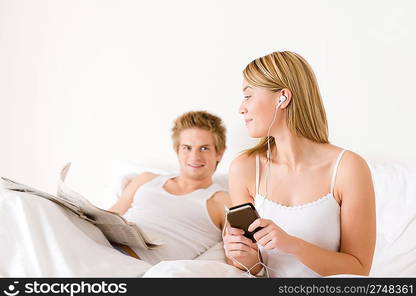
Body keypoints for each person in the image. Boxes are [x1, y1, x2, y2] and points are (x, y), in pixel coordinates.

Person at [223, 51, 376, 277]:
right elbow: (255, 270)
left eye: (248, 96)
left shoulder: (348, 168)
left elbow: (359, 269)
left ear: (282, 97)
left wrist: (292, 245)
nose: (241, 108)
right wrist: (244, 257)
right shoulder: (244, 169)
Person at [109, 110, 231, 265]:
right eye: (187, 147)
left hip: (132, 264)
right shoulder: (145, 179)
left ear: (219, 153)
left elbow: (244, 263)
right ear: (177, 150)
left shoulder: (223, 201)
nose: (195, 156)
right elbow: (108, 218)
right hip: (103, 246)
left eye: (204, 148)